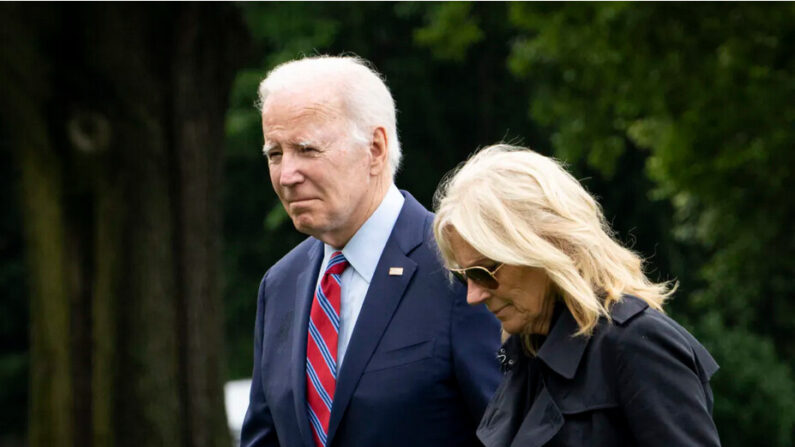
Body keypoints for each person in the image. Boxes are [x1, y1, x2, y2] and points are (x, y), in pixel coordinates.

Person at [240, 55, 502, 447]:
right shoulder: (280, 284)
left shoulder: (458, 265)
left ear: (375, 149)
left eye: (307, 149)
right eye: (275, 154)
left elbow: (507, 431)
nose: (287, 175)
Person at [432, 144, 721, 446]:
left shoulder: (636, 345)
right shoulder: (526, 353)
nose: (473, 296)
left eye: (483, 272)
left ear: (545, 246)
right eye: (464, 277)